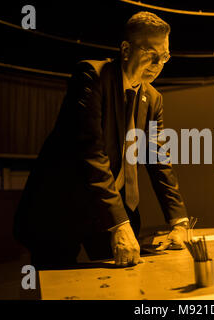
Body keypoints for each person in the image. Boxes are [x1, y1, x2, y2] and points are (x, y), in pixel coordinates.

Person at [13, 11, 189, 269]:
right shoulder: (92, 76)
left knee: (125, 283)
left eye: (164, 56)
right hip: (61, 209)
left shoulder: (153, 98)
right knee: (54, 285)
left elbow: (159, 159)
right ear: (126, 49)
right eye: (151, 53)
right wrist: (119, 223)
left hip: (109, 209)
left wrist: (179, 222)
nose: (158, 63)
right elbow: (91, 152)